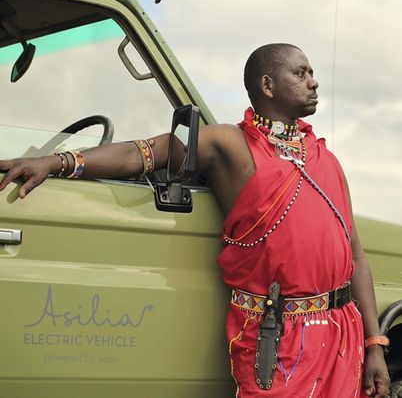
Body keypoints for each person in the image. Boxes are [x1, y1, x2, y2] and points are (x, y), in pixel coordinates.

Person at [0, 43, 390, 397]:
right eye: (301, 73)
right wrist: (57, 162)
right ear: (268, 85)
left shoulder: (328, 161)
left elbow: (356, 258)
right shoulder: (227, 144)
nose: (314, 81)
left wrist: (375, 345)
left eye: (311, 73)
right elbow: (145, 154)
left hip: (343, 337)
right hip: (275, 338)